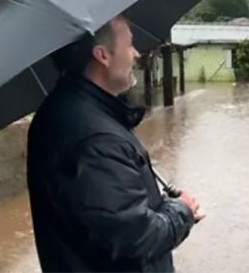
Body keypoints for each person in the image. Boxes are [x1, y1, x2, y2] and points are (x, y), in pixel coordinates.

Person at [27, 15, 204, 272]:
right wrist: (181, 213)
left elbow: (109, 218)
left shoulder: (77, 112)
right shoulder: (94, 138)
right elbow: (134, 238)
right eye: (129, 45)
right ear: (102, 55)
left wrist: (164, 207)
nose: (136, 54)